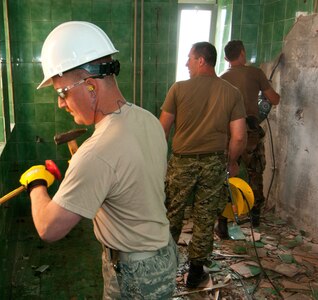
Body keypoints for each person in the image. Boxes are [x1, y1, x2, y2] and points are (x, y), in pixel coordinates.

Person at [18, 21, 178, 299]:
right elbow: (131, 182)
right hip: (163, 254)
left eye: (62, 92)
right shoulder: (146, 119)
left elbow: (48, 227)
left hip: (135, 273)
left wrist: (36, 184)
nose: (60, 103)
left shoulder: (97, 152)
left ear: (91, 87)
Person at [159, 41, 247, 288]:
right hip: (213, 164)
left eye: (189, 58)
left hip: (181, 163)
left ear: (201, 60)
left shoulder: (178, 89)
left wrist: (157, 164)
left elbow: (161, 130)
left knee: (172, 215)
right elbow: (239, 136)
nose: (186, 63)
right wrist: (231, 162)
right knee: (205, 218)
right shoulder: (232, 92)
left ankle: (163, 270)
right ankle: (195, 273)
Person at [219, 40, 280, 232]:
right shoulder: (255, 73)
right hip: (250, 131)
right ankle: (255, 217)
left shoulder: (222, 78)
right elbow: (274, 99)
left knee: (225, 175)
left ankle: (222, 220)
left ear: (226, 58)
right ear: (243, 54)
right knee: (255, 172)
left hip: (228, 133)